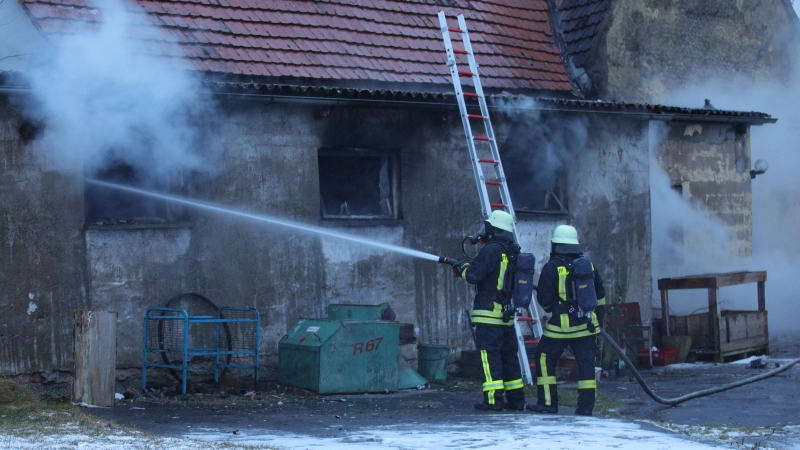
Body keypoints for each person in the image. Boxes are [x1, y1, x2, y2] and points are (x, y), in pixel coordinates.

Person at [527, 225, 606, 416]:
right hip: (587, 326)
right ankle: (586, 408)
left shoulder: (551, 267)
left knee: (544, 357)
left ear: (556, 245)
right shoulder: (588, 265)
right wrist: (598, 323)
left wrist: (555, 307)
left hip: (561, 328)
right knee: (586, 365)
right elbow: (600, 297)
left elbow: (544, 301)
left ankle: (547, 403)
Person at [453, 210, 525, 411]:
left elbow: (473, 275)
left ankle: (493, 400)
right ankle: (516, 400)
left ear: (494, 229)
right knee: (509, 358)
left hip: (488, 314)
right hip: (506, 316)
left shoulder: (492, 250)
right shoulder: (513, 250)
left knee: (489, 356)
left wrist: (463, 265)